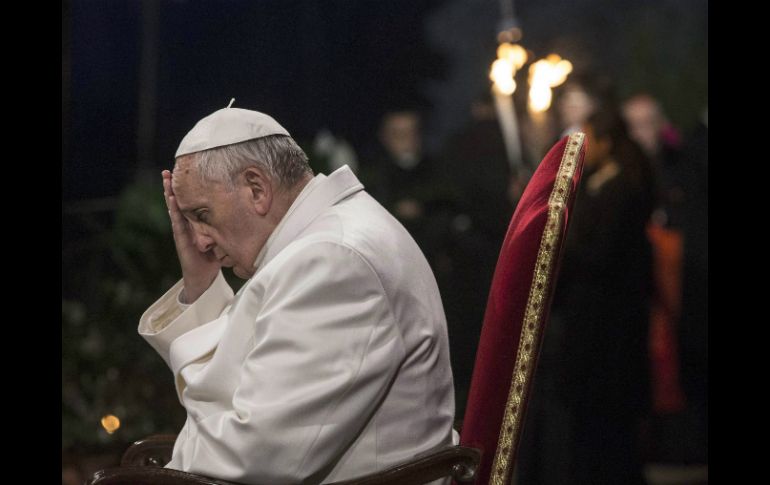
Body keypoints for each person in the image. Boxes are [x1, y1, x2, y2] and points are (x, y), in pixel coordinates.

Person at [139, 104, 457, 484]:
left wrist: (172, 467)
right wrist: (201, 285)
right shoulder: (321, 241)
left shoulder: (332, 261)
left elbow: (257, 457)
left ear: (256, 189)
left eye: (203, 216)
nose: (200, 241)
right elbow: (239, 409)